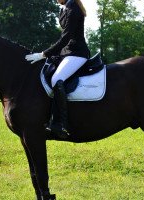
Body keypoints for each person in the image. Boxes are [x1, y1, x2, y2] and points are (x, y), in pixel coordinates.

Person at [25, 0, 90, 139]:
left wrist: (44, 53)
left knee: (56, 79)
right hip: (66, 53)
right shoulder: (63, 8)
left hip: (77, 53)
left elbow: (66, 37)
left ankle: (61, 124)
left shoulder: (73, 6)